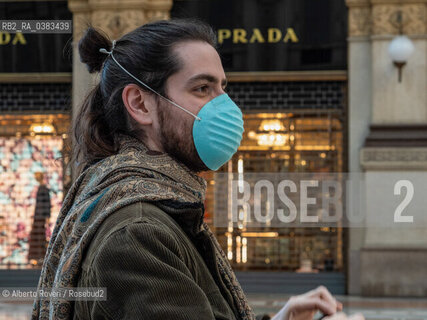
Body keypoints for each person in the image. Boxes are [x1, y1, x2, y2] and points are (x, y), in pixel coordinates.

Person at [32, 19, 364, 320]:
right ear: (139, 104)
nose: (226, 106)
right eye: (202, 89)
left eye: (223, 87)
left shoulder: (158, 204)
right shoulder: (137, 233)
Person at [28, 171, 51, 266]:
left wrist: (46, 217)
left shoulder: (43, 189)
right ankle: (38, 258)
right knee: (38, 237)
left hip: (40, 218)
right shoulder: (42, 188)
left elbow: (46, 204)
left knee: (39, 237)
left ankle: (40, 257)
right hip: (39, 217)